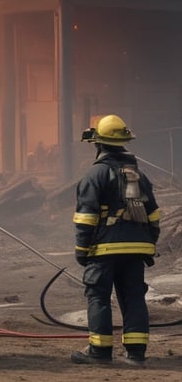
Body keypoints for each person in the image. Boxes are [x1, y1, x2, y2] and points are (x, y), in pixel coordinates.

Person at [71, 114, 160, 366]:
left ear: (98, 144)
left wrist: (81, 249)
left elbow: (85, 217)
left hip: (105, 247)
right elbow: (153, 214)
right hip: (136, 248)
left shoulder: (95, 174)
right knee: (133, 296)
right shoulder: (138, 175)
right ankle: (136, 353)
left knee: (98, 296)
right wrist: (148, 242)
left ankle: (99, 352)